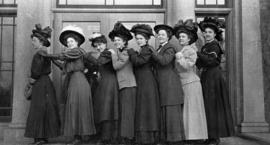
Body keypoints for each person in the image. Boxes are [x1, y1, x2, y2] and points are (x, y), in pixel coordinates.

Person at [49, 25, 96, 145]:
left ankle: (80, 137)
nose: (69, 43)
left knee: (78, 107)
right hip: (73, 81)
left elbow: (62, 56)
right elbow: (62, 65)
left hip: (79, 81)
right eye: (67, 42)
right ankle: (78, 136)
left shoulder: (77, 51)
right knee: (75, 107)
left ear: (77, 42)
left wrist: (47, 55)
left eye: (71, 41)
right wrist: (52, 60)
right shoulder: (71, 54)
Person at [196, 17, 234, 145]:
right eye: (205, 32)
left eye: (210, 32)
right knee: (207, 106)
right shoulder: (206, 46)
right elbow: (201, 64)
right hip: (206, 77)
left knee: (213, 106)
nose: (207, 34)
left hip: (214, 78)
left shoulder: (215, 45)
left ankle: (214, 137)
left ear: (214, 34)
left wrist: (197, 54)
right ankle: (209, 136)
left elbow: (211, 61)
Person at [24, 24, 61, 145]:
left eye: (34, 41)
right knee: (46, 108)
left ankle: (39, 138)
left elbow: (36, 72)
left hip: (40, 84)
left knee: (38, 109)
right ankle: (44, 137)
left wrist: (30, 82)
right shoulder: (44, 53)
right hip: (46, 83)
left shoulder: (39, 54)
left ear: (41, 41)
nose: (33, 43)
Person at [173, 19, 208, 143]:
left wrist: (180, 58)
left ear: (189, 39)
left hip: (191, 83)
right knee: (187, 111)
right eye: (179, 37)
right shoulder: (183, 50)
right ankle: (189, 137)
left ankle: (195, 138)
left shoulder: (190, 50)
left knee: (192, 111)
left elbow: (188, 65)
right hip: (184, 83)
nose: (180, 39)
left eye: (183, 37)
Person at [151, 24, 185, 144]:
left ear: (168, 36)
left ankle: (174, 139)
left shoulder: (170, 48)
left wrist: (152, 52)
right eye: (158, 34)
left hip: (170, 82)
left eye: (162, 35)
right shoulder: (159, 48)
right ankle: (166, 138)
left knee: (171, 109)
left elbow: (164, 61)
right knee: (165, 108)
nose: (160, 36)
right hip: (163, 82)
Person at [127, 24, 160, 145]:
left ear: (146, 39)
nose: (138, 40)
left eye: (141, 38)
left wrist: (131, 52)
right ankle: (144, 137)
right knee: (143, 107)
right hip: (142, 80)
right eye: (137, 38)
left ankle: (148, 138)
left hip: (147, 81)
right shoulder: (143, 49)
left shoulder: (147, 49)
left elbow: (139, 61)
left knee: (146, 107)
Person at [84, 33, 119, 144]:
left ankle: (106, 137)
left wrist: (86, 55)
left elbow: (99, 63)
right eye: (96, 46)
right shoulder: (103, 53)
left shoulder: (108, 53)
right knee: (103, 109)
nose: (98, 47)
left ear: (105, 43)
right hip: (104, 82)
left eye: (100, 44)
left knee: (106, 109)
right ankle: (103, 136)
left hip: (109, 82)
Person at [108, 22, 137, 144]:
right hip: (124, 86)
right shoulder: (121, 52)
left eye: (118, 40)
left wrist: (113, 55)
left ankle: (128, 138)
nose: (116, 42)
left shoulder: (125, 52)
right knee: (124, 112)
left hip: (128, 86)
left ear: (124, 41)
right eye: (115, 40)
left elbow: (116, 66)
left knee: (127, 113)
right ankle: (125, 136)